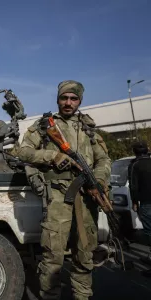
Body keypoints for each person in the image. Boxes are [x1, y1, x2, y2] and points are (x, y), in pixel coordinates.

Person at [17, 80, 111, 300]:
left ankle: (82, 296)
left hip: (87, 198)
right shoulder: (45, 126)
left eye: (73, 98)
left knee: (84, 255)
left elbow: (104, 159)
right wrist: (53, 156)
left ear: (80, 100)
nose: (68, 103)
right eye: (64, 98)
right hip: (58, 197)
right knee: (52, 257)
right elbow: (22, 152)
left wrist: (98, 179)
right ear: (58, 99)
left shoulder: (88, 128)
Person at [128, 140, 151, 277]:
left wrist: (135, 202)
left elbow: (133, 187)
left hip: (147, 203)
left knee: (149, 233)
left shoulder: (135, 165)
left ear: (135, 151)